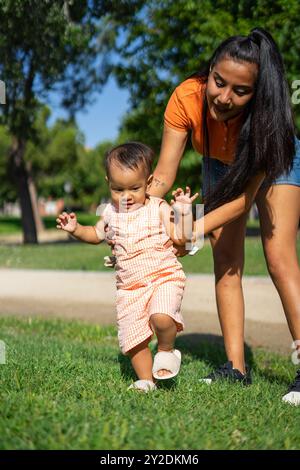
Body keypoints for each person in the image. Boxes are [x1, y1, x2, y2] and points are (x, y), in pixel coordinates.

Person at [148, 27, 300, 405]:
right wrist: (138, 219)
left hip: (275, 160)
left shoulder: (268, 119)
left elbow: (242, 201)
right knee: (226, 259)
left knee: (278, 255)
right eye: (219, 82)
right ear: (210, 69)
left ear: (256, 93)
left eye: (240, 91)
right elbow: (163, 177)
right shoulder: (185, 97)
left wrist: (192, 230)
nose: (225, 97)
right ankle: (236, 369)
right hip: (219, 161)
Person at [56, 142, 198, 393]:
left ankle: (166, 349)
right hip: (129, 289)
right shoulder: (110, 213)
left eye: (135, 188)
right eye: (117, 189)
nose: (126, 196)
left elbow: (181, 238)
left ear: (149, 181)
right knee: (134, 340)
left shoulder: (158, 207)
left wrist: (185, 212)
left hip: (163, 277)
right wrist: (75, 230)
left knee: (161, 316)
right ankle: (146, 380)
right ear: (108, 182)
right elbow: (95, 233)